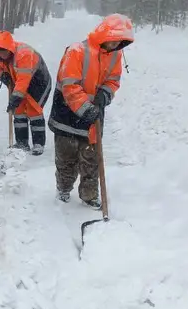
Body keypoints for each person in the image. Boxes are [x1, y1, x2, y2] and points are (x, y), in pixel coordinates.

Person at [48, 14, 134, 207]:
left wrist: (105, 93)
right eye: (114, 40)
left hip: (93, 116)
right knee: (66, 159)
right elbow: (69, 85)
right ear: (105, 34)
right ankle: (63, 189)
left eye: (120, 42)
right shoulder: (77, 51)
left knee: (91, 159)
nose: (116, 45)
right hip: (67, 115)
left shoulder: (115, 55)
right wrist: (85, 108)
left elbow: (113, 80)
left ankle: (89, 196)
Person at [0, 31, 52, 155]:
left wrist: (15, 98)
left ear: (10, 48)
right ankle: (22, 142)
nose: (1, 54)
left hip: (38, 81)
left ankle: (38, 143)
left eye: (3, 51)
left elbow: (24, 80)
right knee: (18, 111)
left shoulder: (23, 53)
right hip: (18, 80)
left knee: (33, 110)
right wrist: (3, 76)